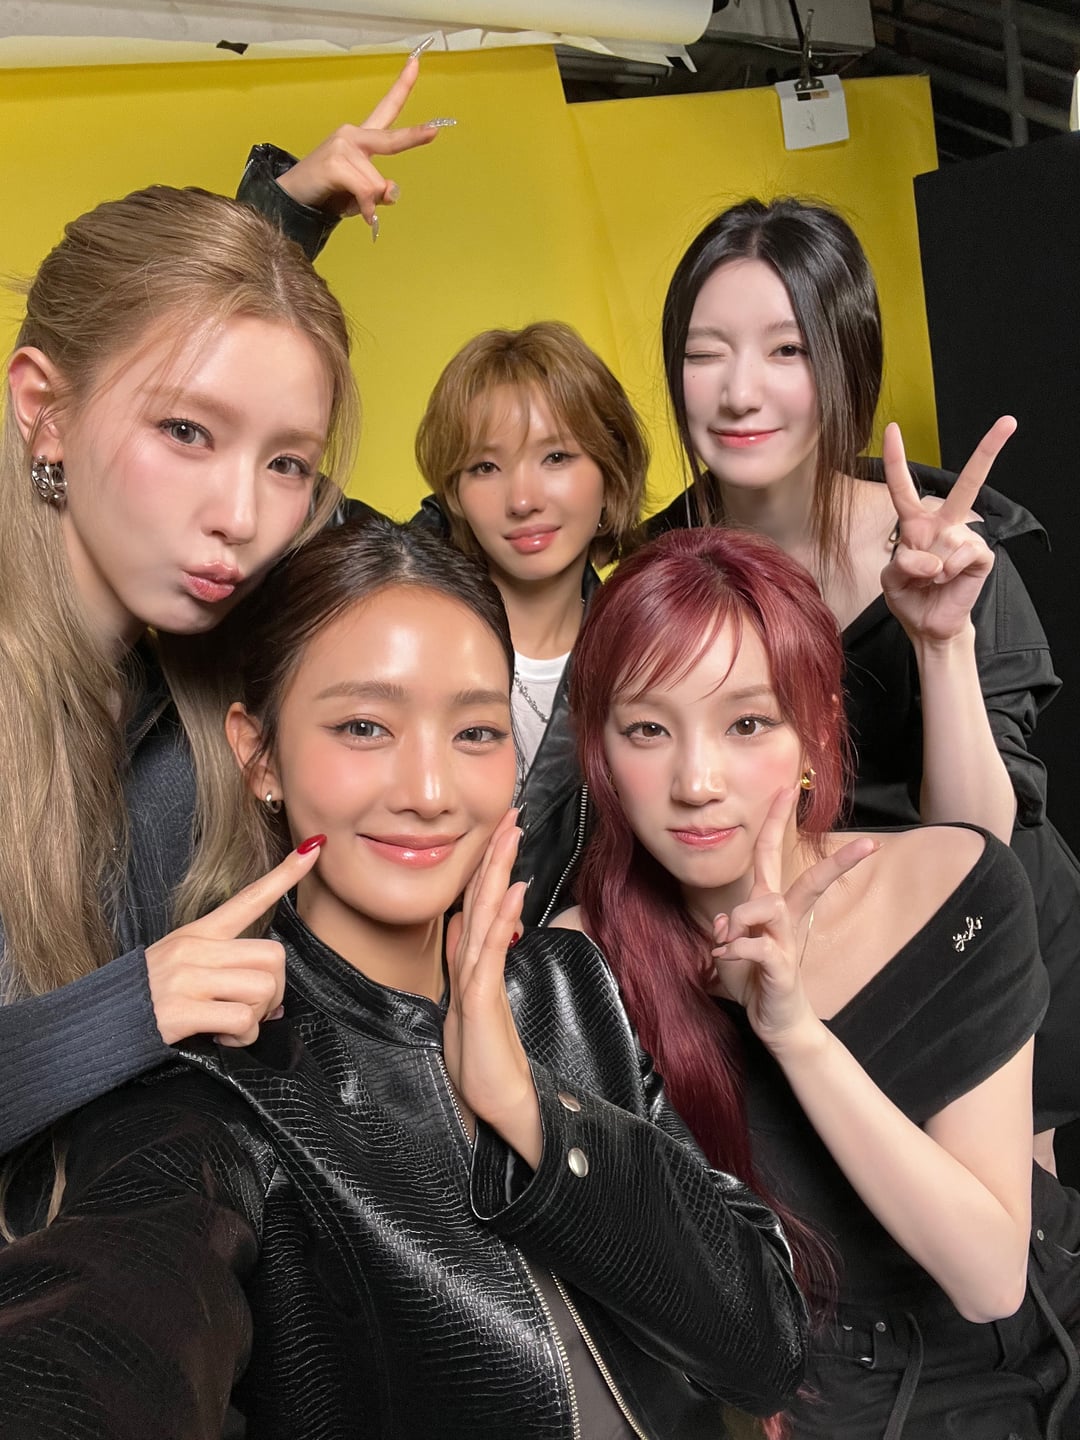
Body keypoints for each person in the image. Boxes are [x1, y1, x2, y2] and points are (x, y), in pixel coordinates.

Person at [0, 518, 808, 1440]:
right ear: (258, 755)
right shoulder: (219, 1091)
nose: (429, 791)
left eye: (475, 731)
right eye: (364, 727)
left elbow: (767, 1347)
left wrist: (532, 1113)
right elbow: (109, 1319)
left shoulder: (571, 986)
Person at [0, 56, 452, 1163]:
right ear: (42, 410)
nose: (242, 519)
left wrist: (281, 222)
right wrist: (133, 1008)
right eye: (185, 434)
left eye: (288, 462)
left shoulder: (199, 680)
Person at [555, 524, 1080, 1438]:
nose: (697, 781)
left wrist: (796, 1033)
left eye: (747, 723)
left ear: (817, 730)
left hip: (1043, 1329)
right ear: (599, 751)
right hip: (820, 1397)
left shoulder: (954, 881)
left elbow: (990, 1274)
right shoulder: (578, 969)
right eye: (648, 729)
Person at [648, 197, 1080, 1155]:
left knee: (1010, 1230)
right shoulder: (659, 574)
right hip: (802, 966)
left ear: (847, 362)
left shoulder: (950, 551)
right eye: (706, 353)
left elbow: (982, 844)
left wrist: (941, 639)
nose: (740, 393)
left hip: (978, 948)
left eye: (787, 350)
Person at [413, 321, 649, 924]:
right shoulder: (398, 624)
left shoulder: (646, 660)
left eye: (556, 457)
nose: (522, 499)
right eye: (485, 467)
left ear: (610, 471)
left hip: (560, 975)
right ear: (455, 492)